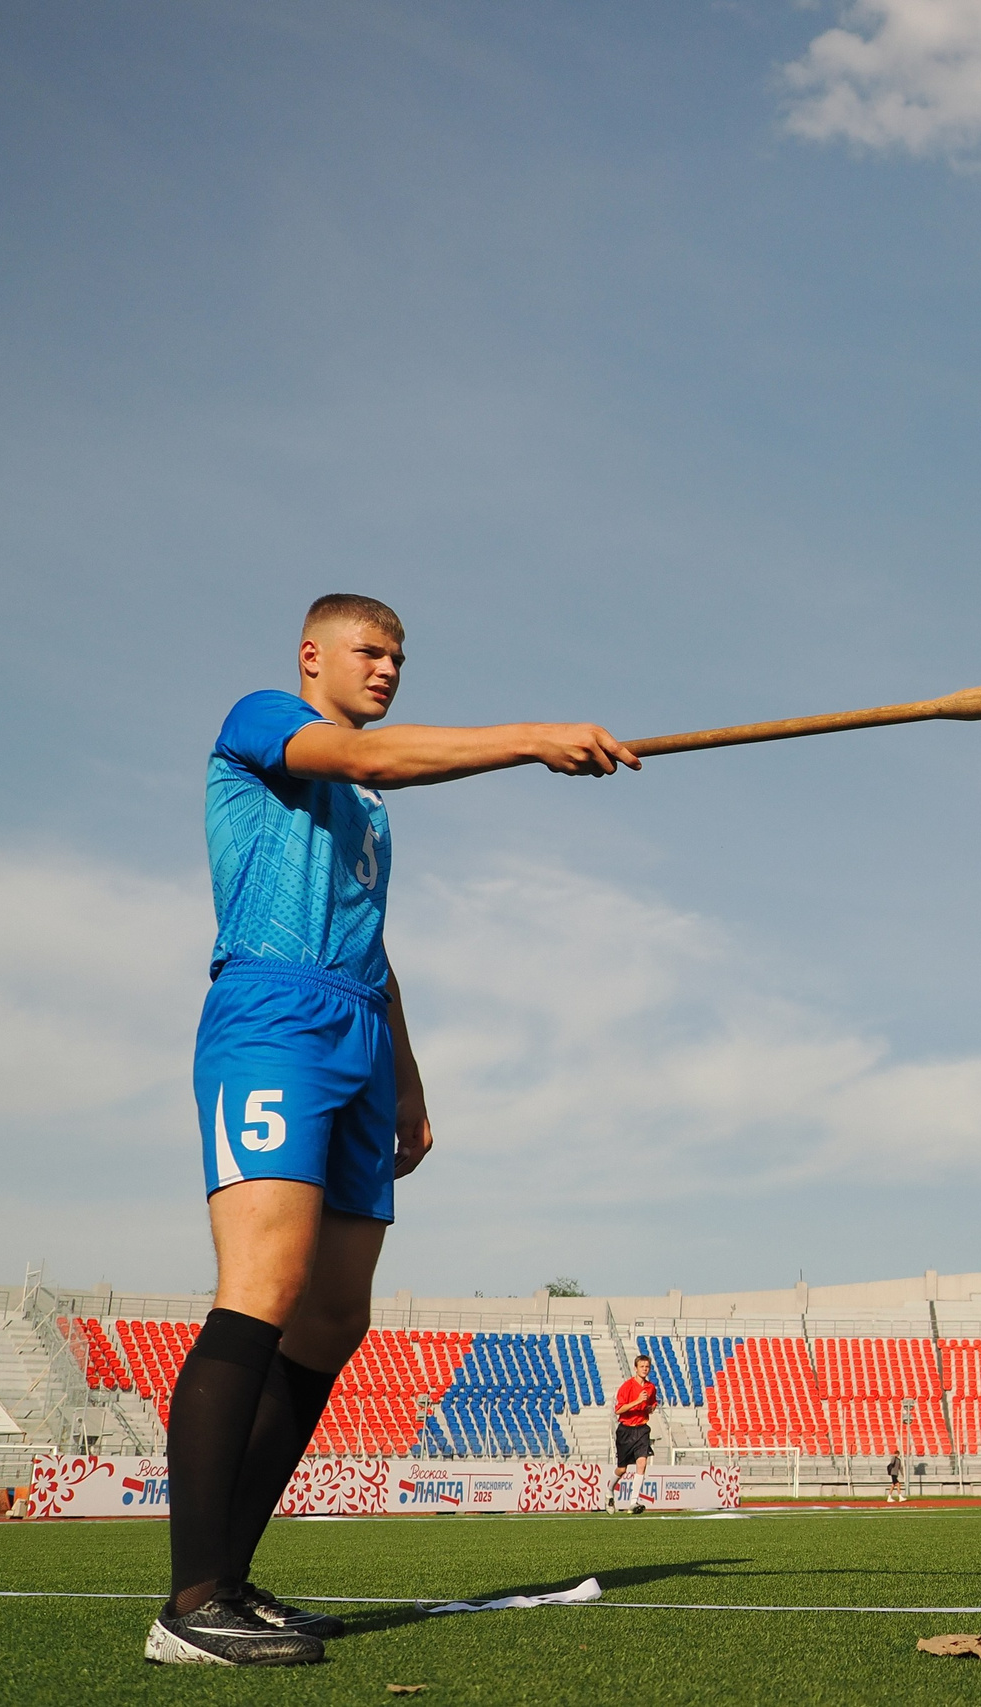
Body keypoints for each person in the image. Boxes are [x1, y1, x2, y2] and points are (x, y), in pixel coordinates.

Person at [148, 595, 638, 1667]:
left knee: (331, 1322)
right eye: (371, 651)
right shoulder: (266, 721)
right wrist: (529, 739)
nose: (388, 669)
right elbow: (369, 760)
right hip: (273, 1014)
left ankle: (231, 1579)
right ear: (311, 654)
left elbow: (376, 946)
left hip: (361, 1031)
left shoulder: (369, 817)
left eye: (401, 657)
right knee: (262, 1290)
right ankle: (188, 1605)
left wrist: (406, 1079)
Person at [610, 1353, 659, 1513]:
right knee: (622, 1469)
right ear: (635, 1368)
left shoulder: (651, 1387)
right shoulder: (627, 1387)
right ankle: (609, 1489)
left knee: (642, 1463)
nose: (645, 1369)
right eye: (642, 1367)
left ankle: (633, 1502)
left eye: (647, 1367)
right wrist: (637, 1401)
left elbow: (651, 1404)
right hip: (626, 1430)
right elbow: (619, 1410)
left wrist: (650, 1409)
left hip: (642, 1429)